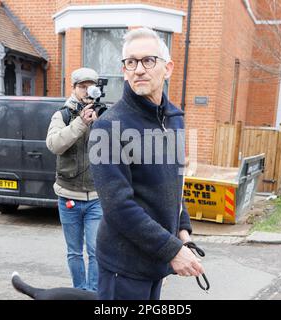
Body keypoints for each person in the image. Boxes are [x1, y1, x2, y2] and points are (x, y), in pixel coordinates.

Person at [88, 28, 205, 300]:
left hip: (156, 262)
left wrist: (183, 229)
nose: (139, 69)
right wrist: (173, 250)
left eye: (148, 60)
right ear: (125, 70)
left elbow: (174, 182)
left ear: (168, 68)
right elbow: (118, 207)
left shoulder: (174, 118)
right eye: (131, 62)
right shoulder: (108, 127)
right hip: (124, 268)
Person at [46, 67, 103, 292]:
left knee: (96, 250)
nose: (86, 91)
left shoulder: (103, 113)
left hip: (96, 197)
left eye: (91, 86)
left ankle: (93, 294)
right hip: (69, 196)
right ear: (74, 88)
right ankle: (80, 292)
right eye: (82, 86)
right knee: (74, 251)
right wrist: (81, 123)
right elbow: (54, 145)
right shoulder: (63, 114)